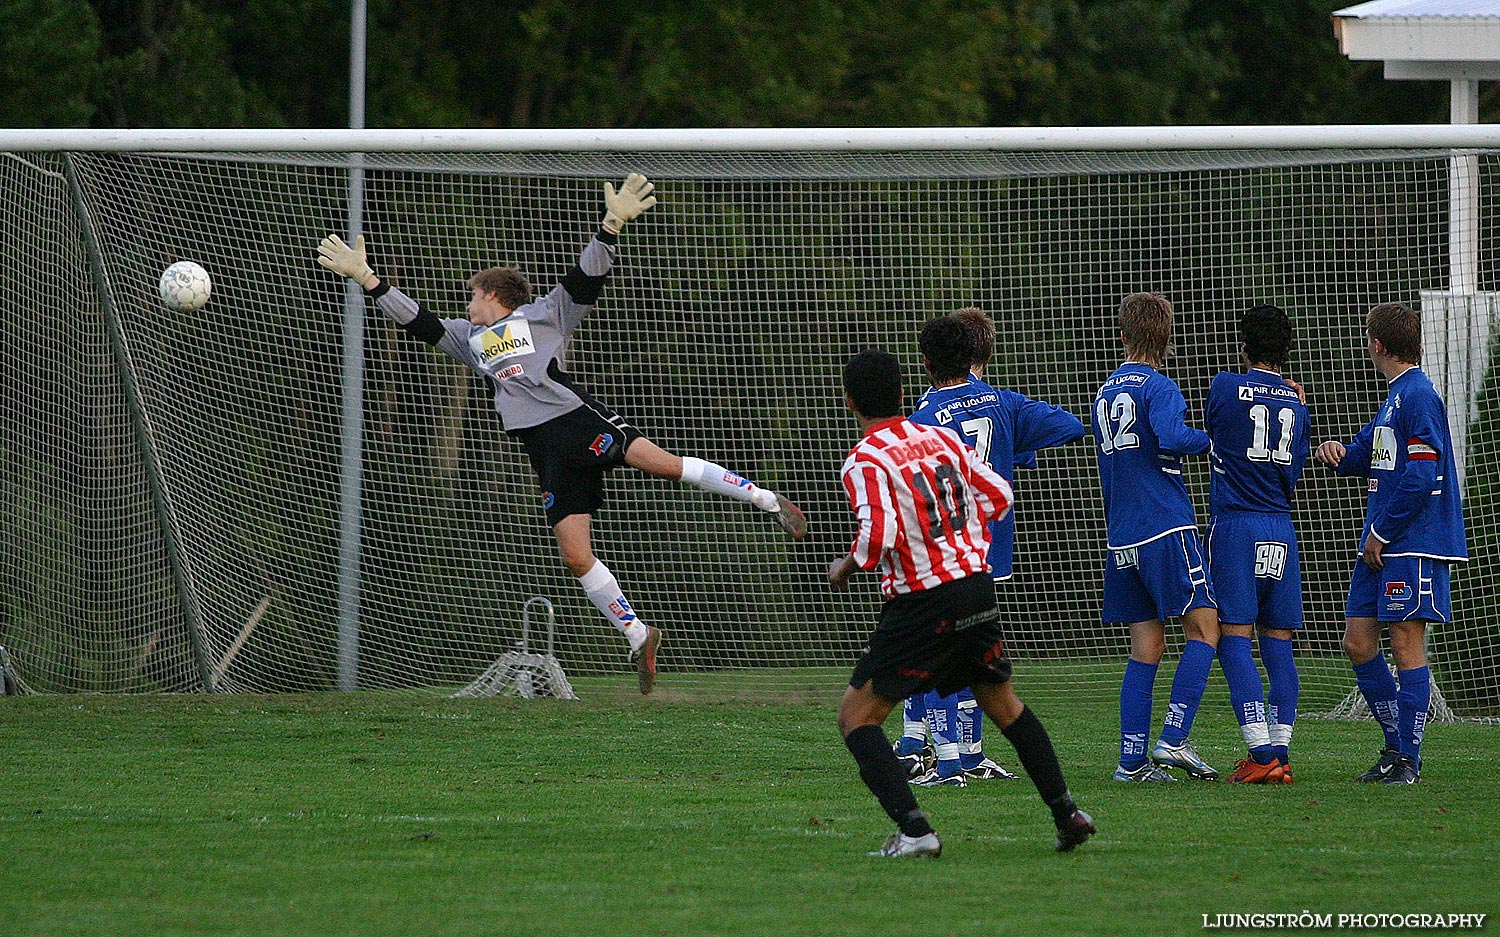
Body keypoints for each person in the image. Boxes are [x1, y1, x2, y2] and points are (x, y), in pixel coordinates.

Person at [316, 174, 807, 696]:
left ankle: (763, 498)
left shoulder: (545, 314)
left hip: (576, 421)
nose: (466, 303)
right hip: (543, 450)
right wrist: (368, 278)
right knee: (574, 554)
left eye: (472, 295)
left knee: (660, 463)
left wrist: (611, 225)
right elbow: (420, 321)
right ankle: (638, 635)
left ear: (494, 295)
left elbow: (583, 280)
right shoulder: (470, 340)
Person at [830, 349, 1094, 857]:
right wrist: (960, 538)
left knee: (857, 718)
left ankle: (916, 832)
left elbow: (878, 535)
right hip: (975, 585)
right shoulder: (942, 439)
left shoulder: (865, 460)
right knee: (1005, 705)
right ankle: (1068, 813)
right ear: (904, 396)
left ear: (849, 403)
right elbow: (998, 496)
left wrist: (847, 564)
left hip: (923, 601)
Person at [900, 311, 1086, 786]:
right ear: (974, 358)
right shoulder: (1003, 402)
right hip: (994, 546)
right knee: (975, 647)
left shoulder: (921, 422)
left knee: (938, 647)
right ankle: (971, 755)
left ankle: (945, 762)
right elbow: (1069, 426)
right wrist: (1010, 451)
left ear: (925, 364)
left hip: (949, 546)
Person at [1316, 302, 1467, 785]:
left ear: (1377, 344)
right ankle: (1395, 748)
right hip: (1380, 541)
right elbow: (1374, 454)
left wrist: (1383, 531)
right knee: (1358, 642)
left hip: (1409, 540)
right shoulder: (1395, 397)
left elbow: (1423, 473)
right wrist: (1339, 453)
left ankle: (1407, 758)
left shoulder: (1419, 394)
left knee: (1405, 642)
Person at [1093, 292, 1221, 782]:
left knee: (1145, 646)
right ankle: (1173, 738)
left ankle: (1131, 763)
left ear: (1122, 336)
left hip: (1122, 536)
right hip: (1165, 526)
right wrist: (1212, 439)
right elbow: (1171, 438)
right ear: (1167, 338)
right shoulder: (1161, 387)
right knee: (1205, 630)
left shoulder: (1106, 390)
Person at [1205, 305, 1309, 784]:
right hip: (1281, 528)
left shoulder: (1225, 385)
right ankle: (1281, 754)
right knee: (1279, 644)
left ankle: (1260, 752)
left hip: (1237, 526)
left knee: (1234, 639)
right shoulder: (1297, 401)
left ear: (1243, 344)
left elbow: (1214, 431)